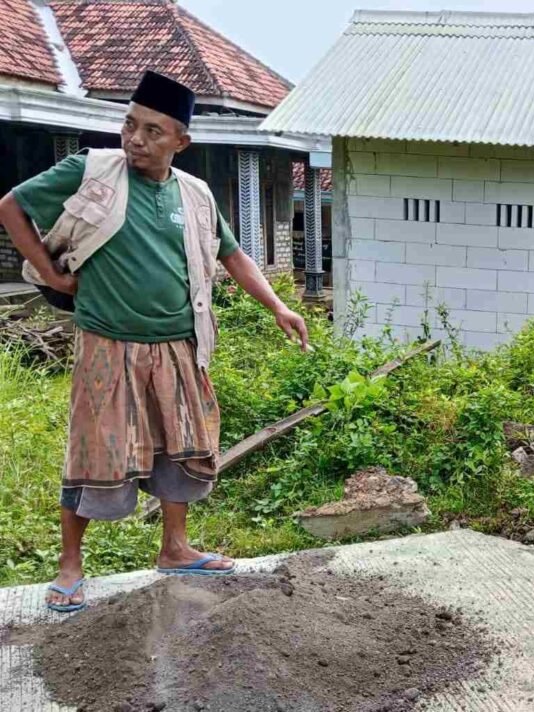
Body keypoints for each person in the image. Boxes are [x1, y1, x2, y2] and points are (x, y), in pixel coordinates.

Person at [0, 71, 309, 613]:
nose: (135, 139)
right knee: (95, 451)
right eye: (129, 124)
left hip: (179, 346)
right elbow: (11, 206)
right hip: (107, 344)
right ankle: (70, 566)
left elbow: (231, 256)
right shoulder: (91, 172)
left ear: (180, 142)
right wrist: (50, 274)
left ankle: (175, 548)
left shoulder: (195, 194)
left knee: (181, 445)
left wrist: (278, 306)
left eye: (152, 131)